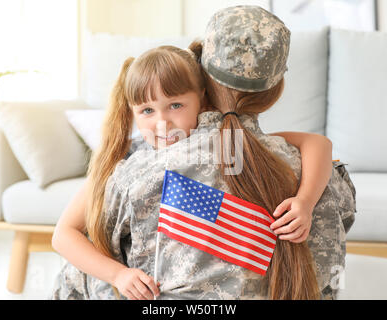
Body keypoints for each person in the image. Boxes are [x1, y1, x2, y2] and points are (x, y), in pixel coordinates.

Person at [50, 8, 352, 300]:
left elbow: (317, 143)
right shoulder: (130, 158)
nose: (162, 123)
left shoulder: (136, 173)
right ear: (275, 90)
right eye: (147, 111)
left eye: (175, 105)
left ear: (203, 92)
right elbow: (65, 235)